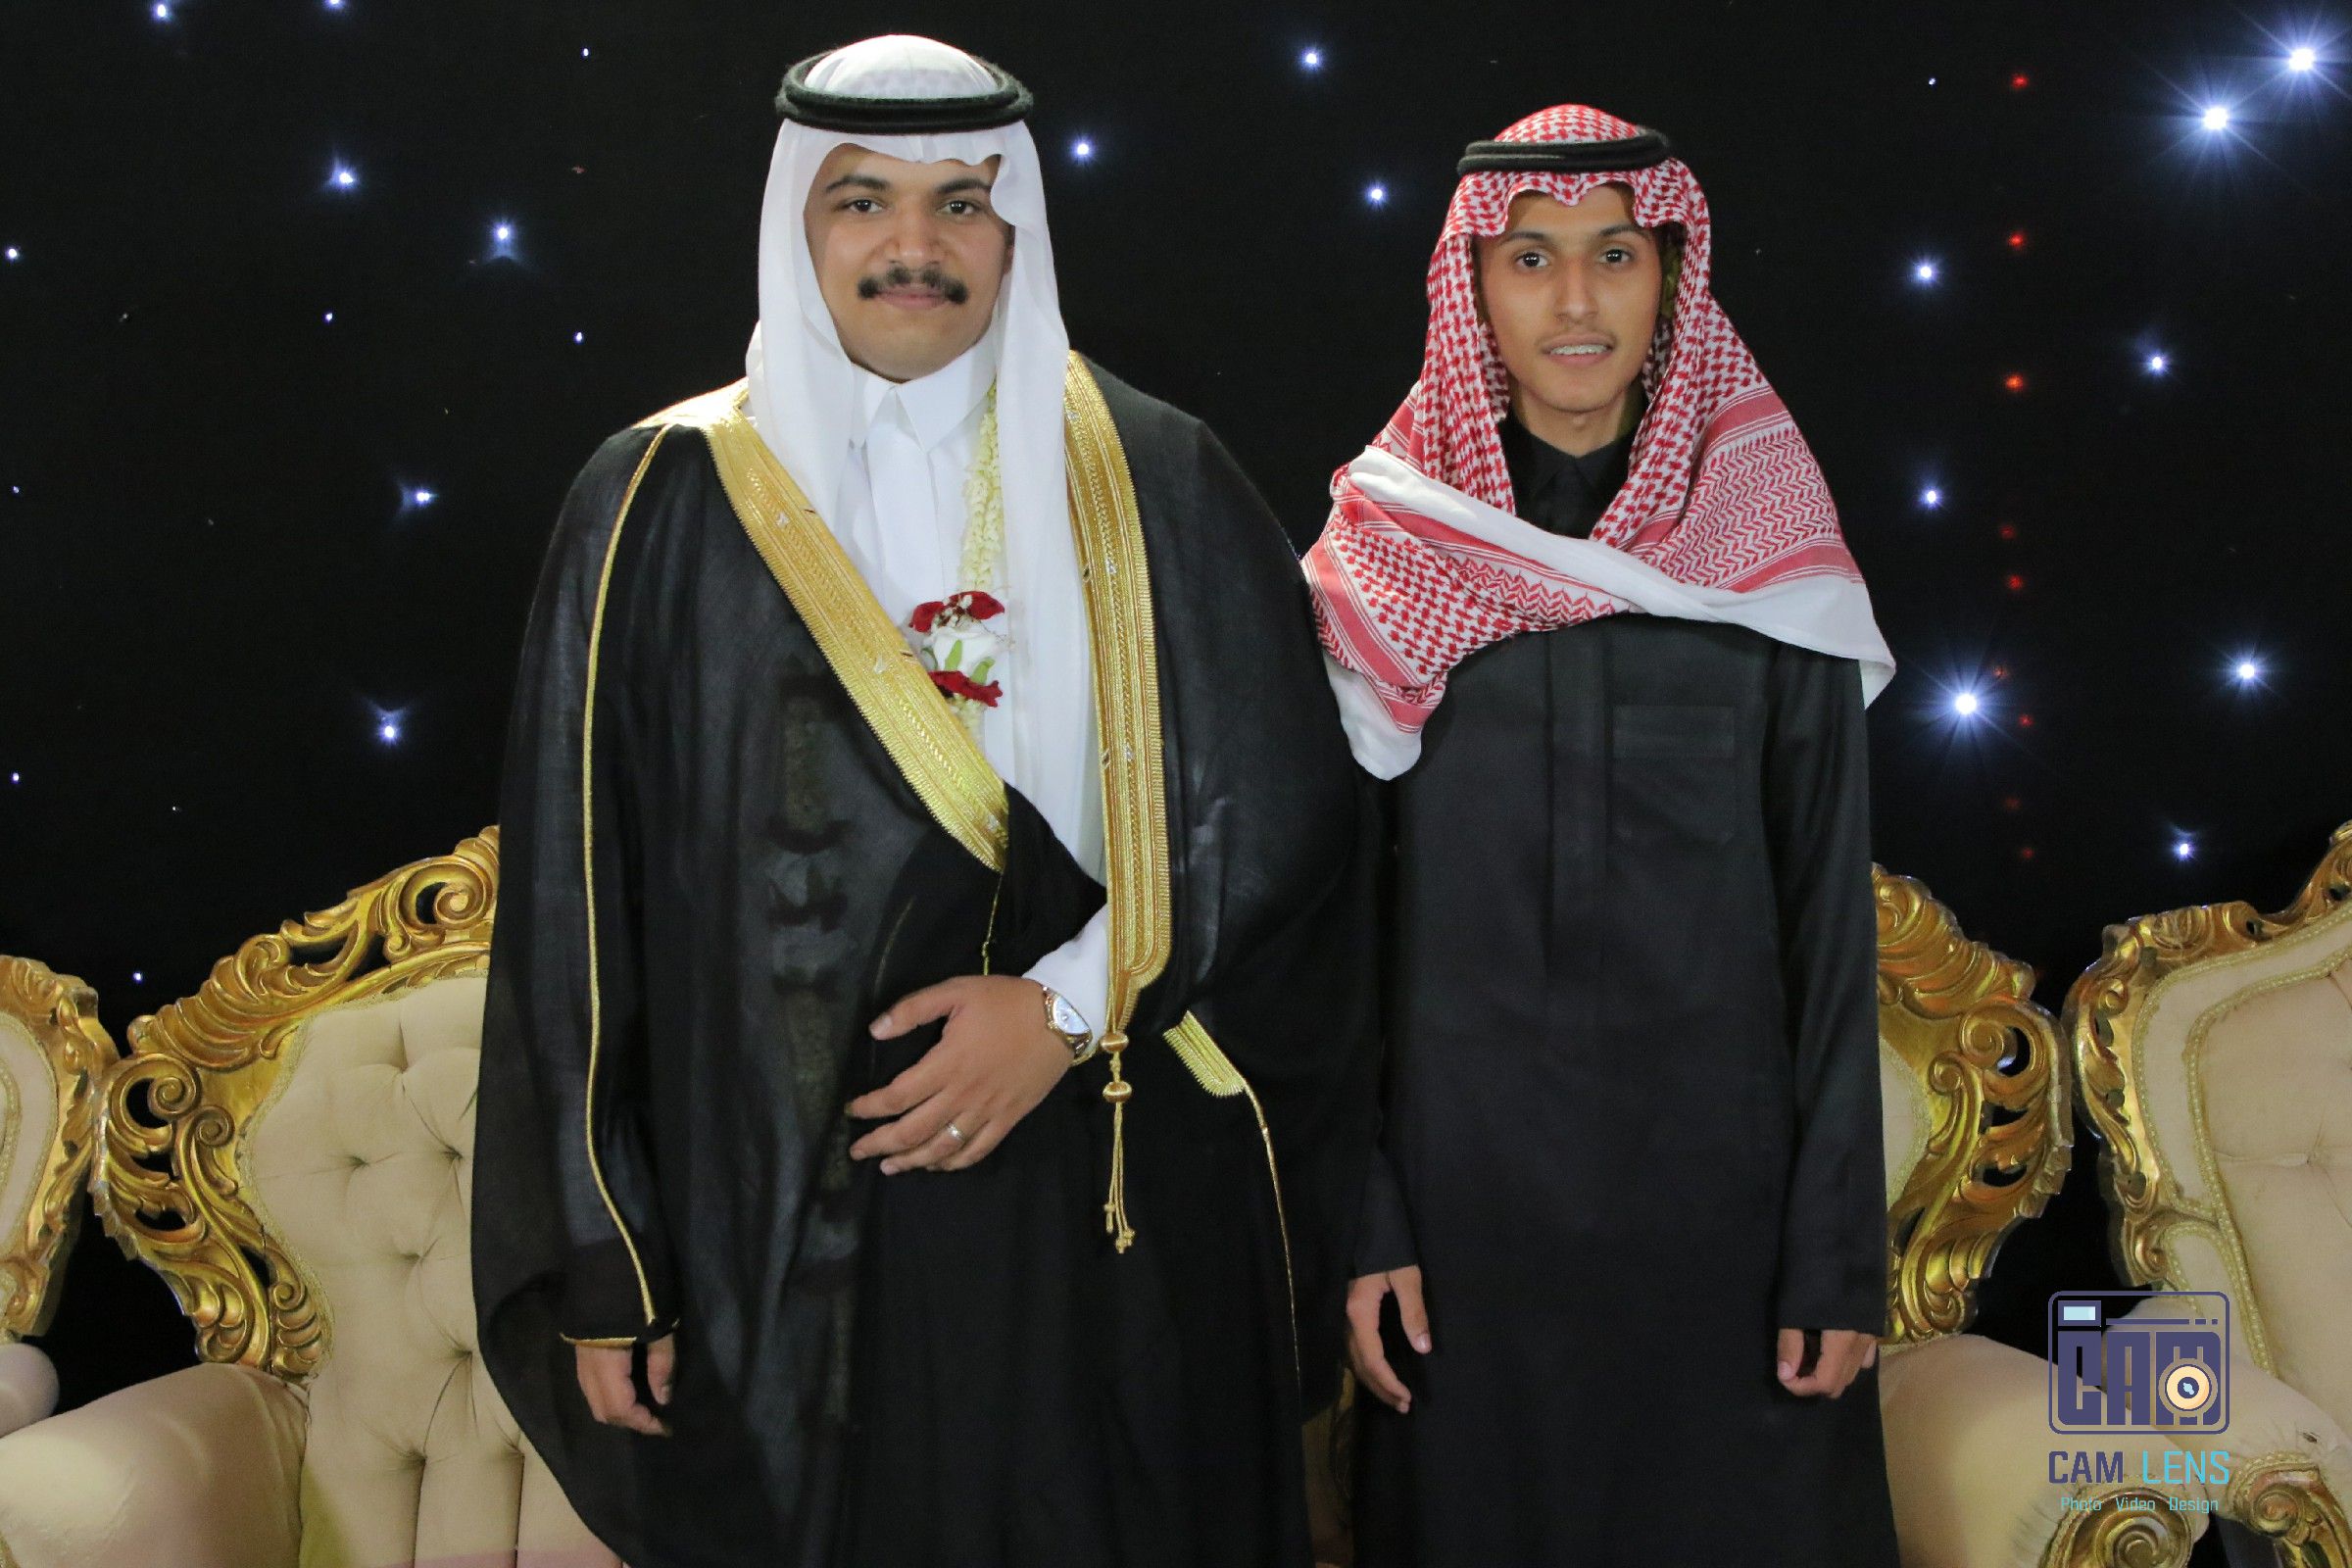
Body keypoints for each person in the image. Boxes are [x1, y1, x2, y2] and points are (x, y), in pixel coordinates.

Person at [472, 35, 1375, 1568]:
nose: (914, 245)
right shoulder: (655, 499)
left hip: (1101, 1185)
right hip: (777, 1209)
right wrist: (608, 1261)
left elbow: (1279, 812)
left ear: (1015, 227)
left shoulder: (1159, 475)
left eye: (961, 201)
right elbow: (578, 898)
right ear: (798, 223)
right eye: (863, 201)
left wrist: (1066, 1007)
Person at [1304, 105, 1901, 1565]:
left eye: (1615, 255)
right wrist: (1366, 1222)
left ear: (1671, 279)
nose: (1575, 301)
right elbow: (1329, 933)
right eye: (1529, 258)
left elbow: (1830, 929)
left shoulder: (1770, 562)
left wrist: (1836, 1254)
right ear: (1474, 288)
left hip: (1729, 1227)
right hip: (1465, 1222)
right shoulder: (1383, 562)